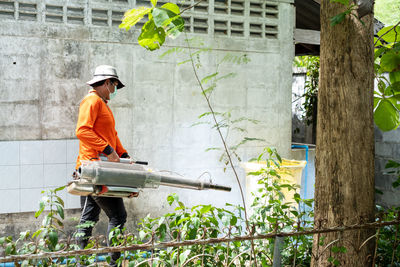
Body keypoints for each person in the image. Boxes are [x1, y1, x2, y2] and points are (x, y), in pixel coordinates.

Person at [74, 65, 135, 266]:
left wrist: (123, 154)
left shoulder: (103, 104)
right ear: (107, 82)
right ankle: (113, 263)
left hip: (100, 168)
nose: (115, 90)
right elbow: (82, 131)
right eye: (114, 85)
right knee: (118, 215)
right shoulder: (91, 101)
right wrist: (109, 151)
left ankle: (80, 261)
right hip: (94, 169)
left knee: (89, 218)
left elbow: (112, 136)